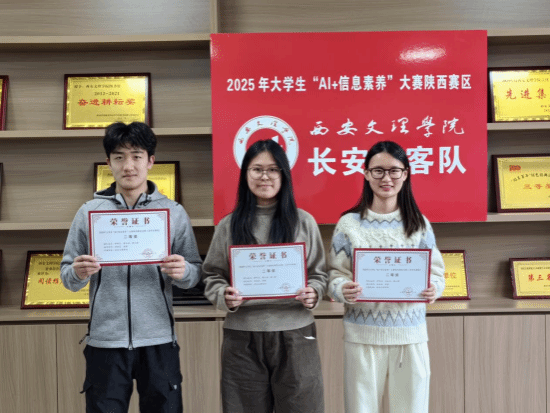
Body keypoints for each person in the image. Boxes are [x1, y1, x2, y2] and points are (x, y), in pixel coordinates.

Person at [60, 121, 202, 413]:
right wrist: (77, 272)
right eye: (119, 157)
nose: (128, 166)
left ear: (150, 161)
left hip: (159, 339)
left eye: (137, 156)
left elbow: (194, 273)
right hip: (105, 341)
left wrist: (184, 272)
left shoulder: (173, 212)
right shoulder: (89, 212)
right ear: (108, 163)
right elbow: (67, 277)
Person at [202, 139, 327, 413]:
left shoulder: (303, 221)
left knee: (302, 408)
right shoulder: (229, 225)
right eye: (257, 169)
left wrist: (314, 292)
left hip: (296, 333)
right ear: (245, 174)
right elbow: (212, 275)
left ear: (284, 175)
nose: (265, 176)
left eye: (273, 169)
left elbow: (319, 274)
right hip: (242, 335)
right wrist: (224, 295)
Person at [328, 140, 445, 413]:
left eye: (394, 170)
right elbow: (334, 275)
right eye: (378, 171)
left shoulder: (419, 223)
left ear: (405, 174)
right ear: (366, 174)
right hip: (362, 336)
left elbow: (436, 272)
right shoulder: (348, 224)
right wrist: (343, 289)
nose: (386, 178)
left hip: (410, 335)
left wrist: (433, 288)